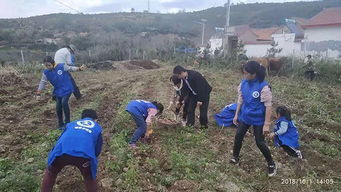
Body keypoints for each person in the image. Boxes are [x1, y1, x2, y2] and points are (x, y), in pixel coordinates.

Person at [230, 60, 277, 177]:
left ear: (254, 73)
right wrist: (236, 114)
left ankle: (271, 163)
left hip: (258, 119)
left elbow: (268, 106)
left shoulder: (263, 86)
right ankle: (235, 157)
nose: (244, 75)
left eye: (246, 73)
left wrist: (266, 124)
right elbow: (240, 100)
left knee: (259, 142)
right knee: (238, 137)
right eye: (244, 73)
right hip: (245, 116)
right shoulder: (243, 84)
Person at [41, 109, 102, 192]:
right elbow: (97, 150)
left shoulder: (71, 124)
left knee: (51, 173)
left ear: (82, 118)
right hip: (84, 155)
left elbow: (60, 139)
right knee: (89, 177)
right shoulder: (97, 127)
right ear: (95, 119)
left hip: (61, 151)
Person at [36, 56, 86, 129]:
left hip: (67, 88)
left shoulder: (61, 66)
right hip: (58, 91)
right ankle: (60, 124)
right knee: (58, 107)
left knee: (64, 103)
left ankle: (67, 123)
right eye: (46, 66)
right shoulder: (46, 73)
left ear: (52, 63)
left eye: (49, 65)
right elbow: (42, 83)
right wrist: (38, 93)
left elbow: (70, 68)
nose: (48, 67)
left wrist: (79, 68)